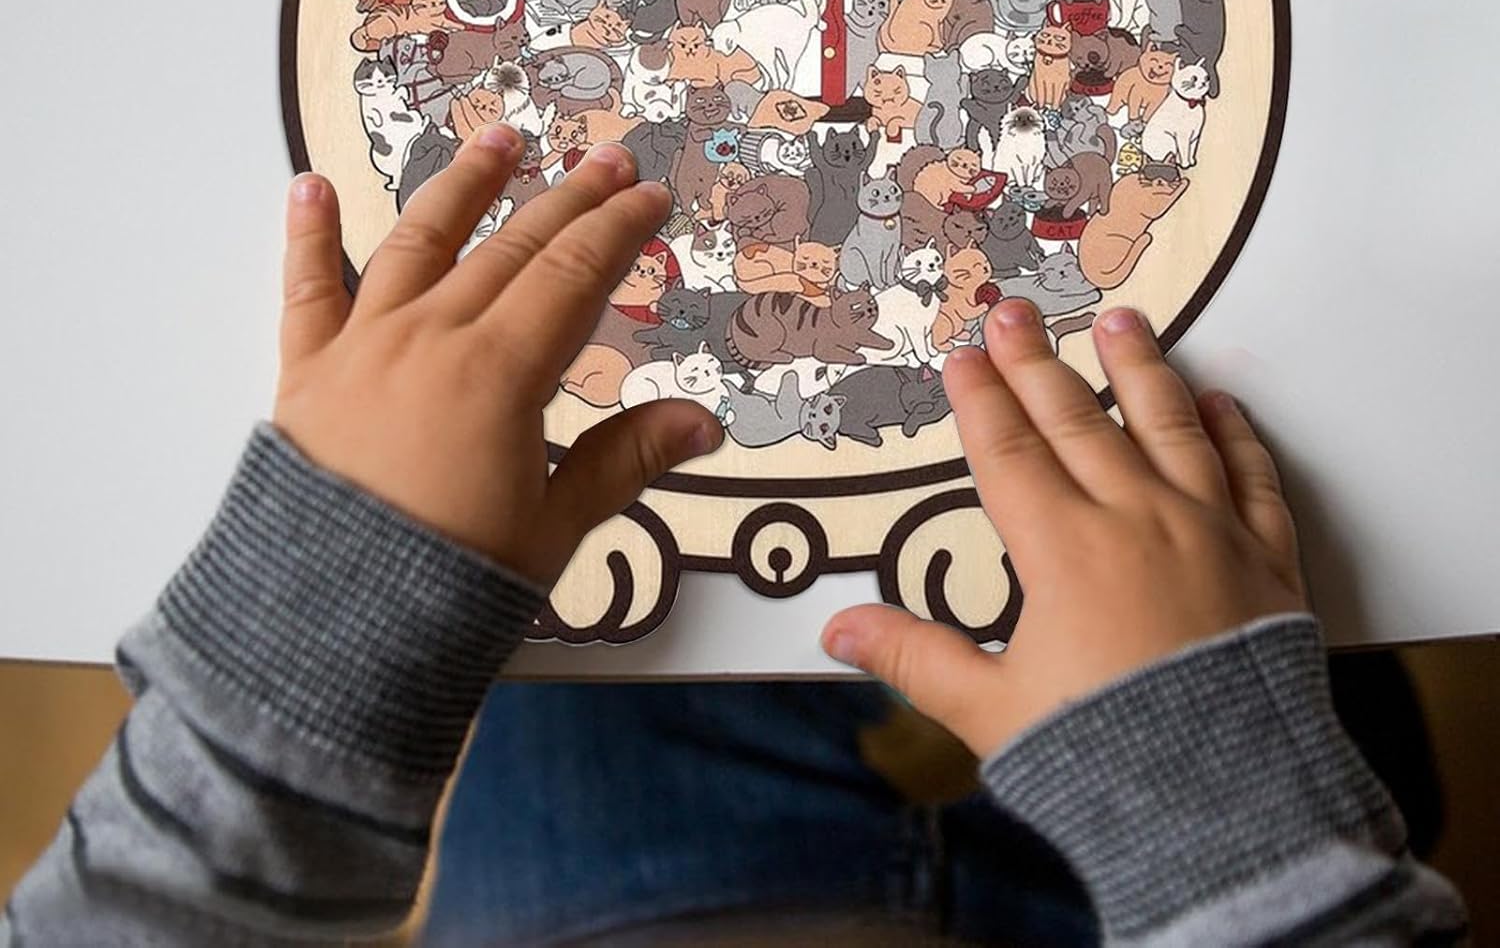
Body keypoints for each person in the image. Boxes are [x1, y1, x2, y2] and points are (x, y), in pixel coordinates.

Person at [2, 130, 1469, 945]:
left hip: (629, 895)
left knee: (591, 660)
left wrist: (322, 621)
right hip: (1159, 880)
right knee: (1209, 554)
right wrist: (1227, 802)